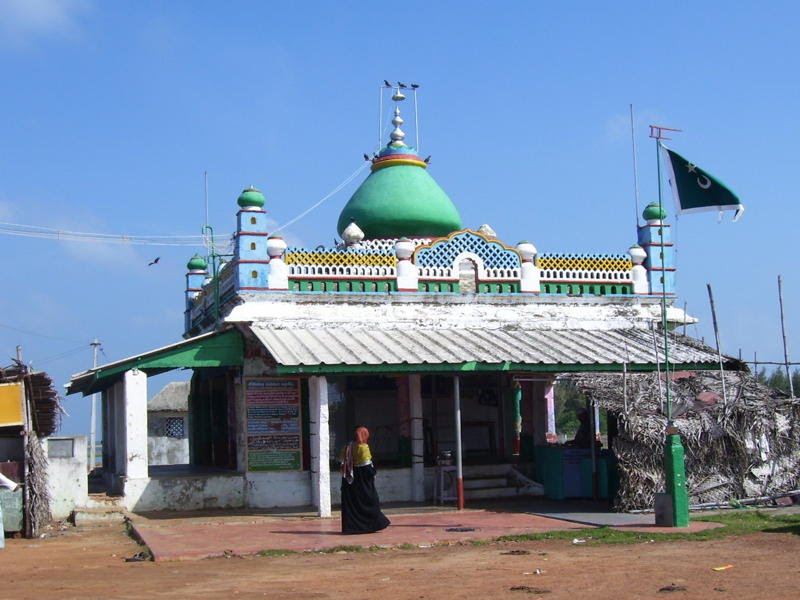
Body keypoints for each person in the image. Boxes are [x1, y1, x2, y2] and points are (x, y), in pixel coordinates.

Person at [340, 426, 390, 534]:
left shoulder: (347, 447)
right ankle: (370, 526)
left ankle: (354, 528)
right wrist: (374, 472)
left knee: (354, 505)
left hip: (350, 482)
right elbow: (367, 468)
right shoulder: (363, 448)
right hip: (363, 481)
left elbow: (342, 463)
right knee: (371, 502)